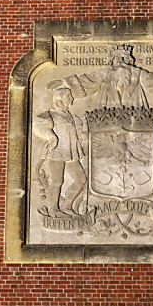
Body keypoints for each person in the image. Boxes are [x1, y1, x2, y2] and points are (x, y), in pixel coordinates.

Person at [34, 81, 87, 217]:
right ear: (60, 98)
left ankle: (67, 206)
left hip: (71, 153)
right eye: (68, 96)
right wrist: (51, 137)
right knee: (57, 181)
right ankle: (53, 209)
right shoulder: (49, 115)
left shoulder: (70, 116)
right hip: (55, 152)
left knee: (81, 179)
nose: (71, 99)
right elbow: (39, 126)